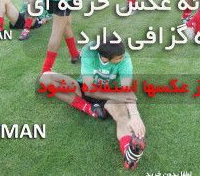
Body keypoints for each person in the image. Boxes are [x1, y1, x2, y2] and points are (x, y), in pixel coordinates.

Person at [39, 35, 147, 169]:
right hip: (84, 88)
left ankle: (129, 153)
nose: (123, 58)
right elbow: (88, 90)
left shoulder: (125, 59)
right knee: (45, 78)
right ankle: (89, 109)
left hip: (110, 97)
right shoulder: (89, 51)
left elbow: (127, 91)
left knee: (122, 116)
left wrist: (135, 116)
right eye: (119, 58)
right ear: (105, 58)